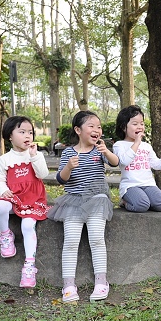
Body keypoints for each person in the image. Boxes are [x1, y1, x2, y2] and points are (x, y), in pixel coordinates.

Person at [47, 111, 120, 302]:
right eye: (91, 126)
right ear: (78, 130)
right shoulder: (69, 153)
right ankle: (69, 285)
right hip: (73, 200)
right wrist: (69, 167)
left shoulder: (100, 149)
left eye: (99, 126)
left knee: (96, 239)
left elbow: (116, 163)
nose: (97, 130)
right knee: (71, 241)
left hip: (97, 199)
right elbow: (61, 179)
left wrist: (107, 152)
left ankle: (101, 282)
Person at [0, 116, 51, 288]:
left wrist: (34, 157)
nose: (28, 136)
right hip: (14, 198)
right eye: (22, 132)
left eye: (30, 132)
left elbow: (43, 174)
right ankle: (5, 235)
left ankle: (29, 265)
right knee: (0, 206)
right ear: (10, 135)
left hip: (33, 199)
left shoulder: (35, 155)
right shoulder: (5, 159)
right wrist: (3, 191)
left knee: (27, 226)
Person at [113, 105, 161, 212]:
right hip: (130, 186)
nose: (140, 127)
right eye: (135, 124)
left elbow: (154, 163)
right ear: (123, 127)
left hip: (148, 184)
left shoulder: (146, 146)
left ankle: (142, 198)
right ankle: (125, 202)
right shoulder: (119, 145)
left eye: (142, 123)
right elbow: (124, 161)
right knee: (141, 205)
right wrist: (136, 143)